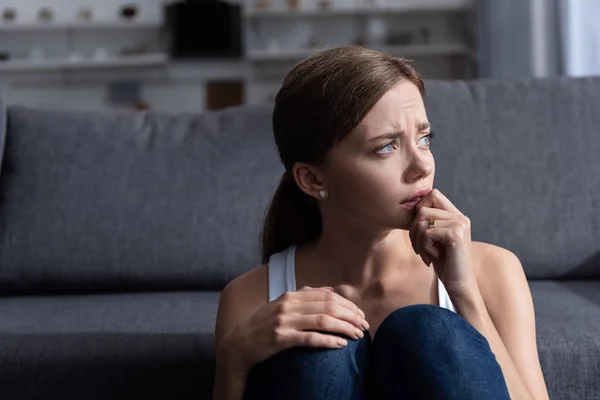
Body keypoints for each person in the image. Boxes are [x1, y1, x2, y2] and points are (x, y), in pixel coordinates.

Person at [212, 45, 549, 400]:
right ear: (313, 180)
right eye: (386, 147)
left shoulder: (493, 270)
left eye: (423, 138)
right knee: (321, 352)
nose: (423, 166)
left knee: (428, 331)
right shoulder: (251, 297)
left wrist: (465, 296)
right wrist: (234, 359)